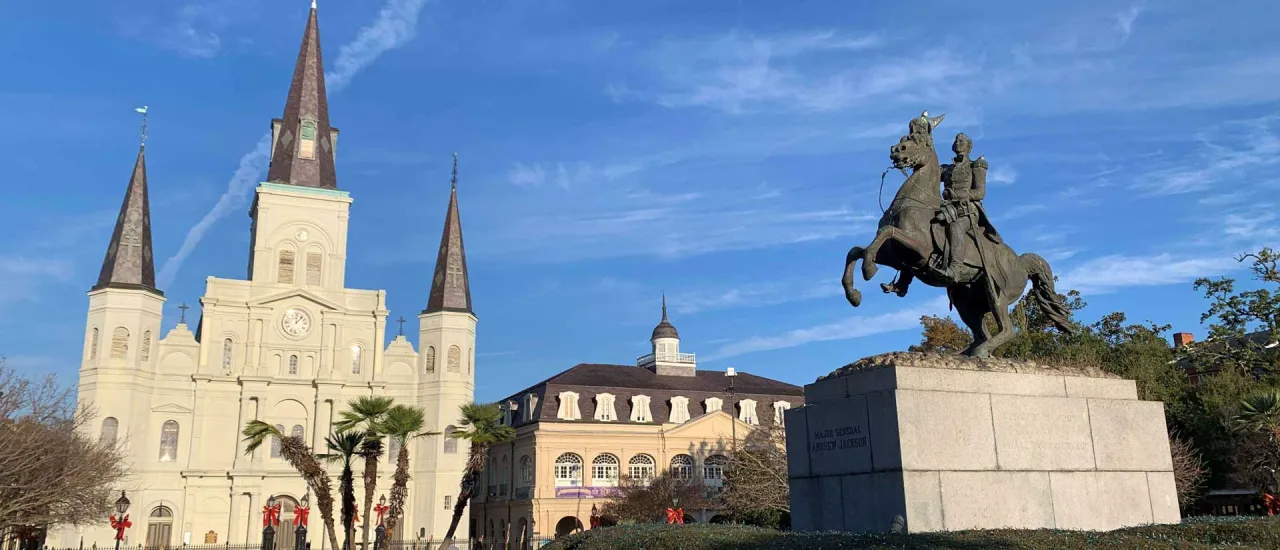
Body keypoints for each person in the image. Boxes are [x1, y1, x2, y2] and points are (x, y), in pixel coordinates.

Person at [936, 133, 1001, 280]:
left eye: (961, 141)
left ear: (969, 146)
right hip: (947, 208)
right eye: (956, 141)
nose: (958, 143)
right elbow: (929, 172)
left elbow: (980, 192)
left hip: (967, 211)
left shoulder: (975, 165)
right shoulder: (946, 169)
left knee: (956, 228)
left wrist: (958, 195)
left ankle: (955, 269)